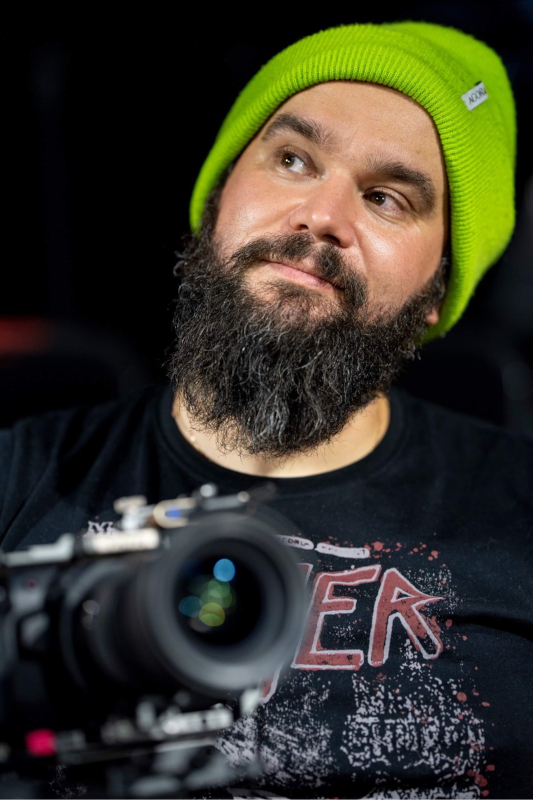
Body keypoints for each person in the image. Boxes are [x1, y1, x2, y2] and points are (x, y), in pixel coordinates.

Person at [1, 20, 532, 799]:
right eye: (292, 160)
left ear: (437, 288)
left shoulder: (518, 512)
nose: (321, 215)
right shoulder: (15, 477)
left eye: (385, 198)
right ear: (218, 197)